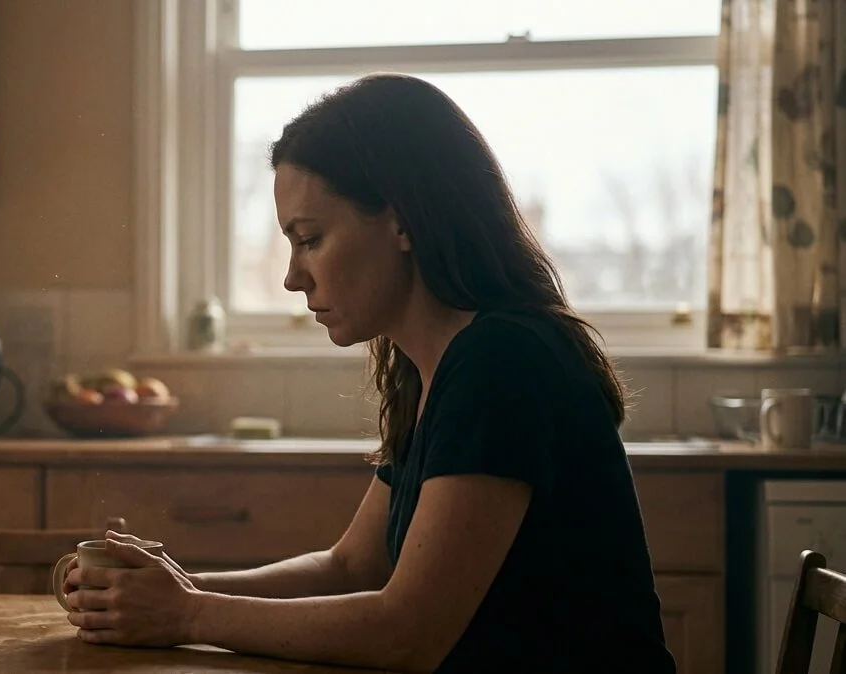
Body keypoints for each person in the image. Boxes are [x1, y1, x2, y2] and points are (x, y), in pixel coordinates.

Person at [60, 72, 676, 673]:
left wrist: (188, 615)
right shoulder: (430, 366)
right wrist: (163, 591)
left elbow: (407, 634)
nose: (293, 276)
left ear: (402, 220)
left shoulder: (503, 363)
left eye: (310, 238)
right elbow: (353, 567)